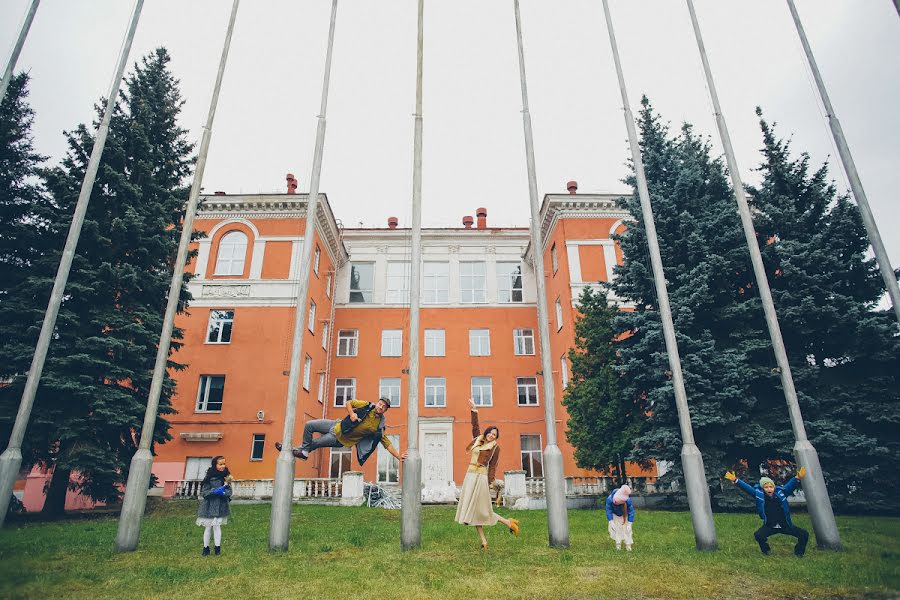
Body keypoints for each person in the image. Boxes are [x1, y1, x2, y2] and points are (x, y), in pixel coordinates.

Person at [455, 398, 520, 550]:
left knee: (482, 511)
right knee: (474, 512)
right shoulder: (478, 440)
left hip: (481, 477)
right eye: (490, 433)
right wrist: (474, 410)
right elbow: (475, 426)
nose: (492, 436)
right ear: (486, 433)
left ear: (496, 437)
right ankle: (486, 541)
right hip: (470, 475)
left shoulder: (495, 448)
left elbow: (492, 466)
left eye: (494, 435)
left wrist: (491, 482)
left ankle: (508, 523)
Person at [275, 397, 406, 466]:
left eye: (383, 407)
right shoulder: (367, 405)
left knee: (315, 443)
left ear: (385, 410)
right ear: (377, 403)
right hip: (335, 424)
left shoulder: (379, 426)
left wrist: (398, 456)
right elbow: (349, 402)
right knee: (309, 425)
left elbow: (386, 443)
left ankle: (292, 450)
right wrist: (351, 414)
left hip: (340, 439)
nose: (380, 407)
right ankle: (303, 451)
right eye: (380, 404)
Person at [725, 466, 809, 557]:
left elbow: (790, 485)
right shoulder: (759, 495)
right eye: (766, 487)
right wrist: (736, 480)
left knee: (804, 534)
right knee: (758, 535)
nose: (769, 489)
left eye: (771, 487)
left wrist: (797, 477)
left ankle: (799, 553)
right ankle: (766, 551)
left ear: (774, 487)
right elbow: (747, 488)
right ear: (763, 488)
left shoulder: (781, 493)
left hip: (785, 525)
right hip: (770, 525)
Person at [197, 456, 233, 556]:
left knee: (217, 527)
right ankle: (206, 548)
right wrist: (214, 491)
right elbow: (204, 493)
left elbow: (229, 492)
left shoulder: (226, 477)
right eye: (220, 464)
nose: (223, 466)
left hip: (220, 505)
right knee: (208, 527)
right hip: (208, 506)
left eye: (224, 464)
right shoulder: (209, 477)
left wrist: (224, 493)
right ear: (215, 465)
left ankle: (217, 548)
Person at [605, 484, 634, 551]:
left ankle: (628, 545)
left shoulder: (628, 501)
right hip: (615, 515)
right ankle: (618, 545)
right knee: (617, 529)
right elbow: (608, 510)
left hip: (624, 515)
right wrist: (611, 520)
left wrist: (630, 523)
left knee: (627, 530)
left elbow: (631, 512)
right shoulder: (609, 499)